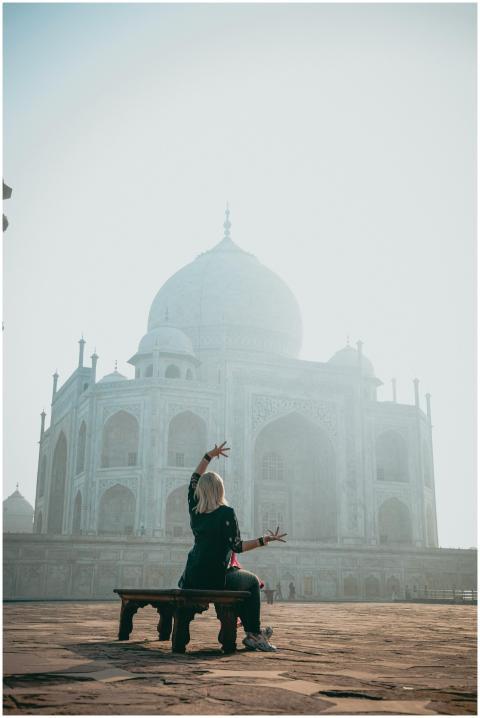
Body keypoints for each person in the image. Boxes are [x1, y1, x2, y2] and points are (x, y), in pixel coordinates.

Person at [178, 441, 287, 652]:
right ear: (220, 490)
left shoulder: (194, 508)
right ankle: (254, 634)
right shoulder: (226, 513)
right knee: (252, 581)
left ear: (200, 490)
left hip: (191, 577)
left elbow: (194, 477)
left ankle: (253, 631)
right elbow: (237, 547)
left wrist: (209, 455)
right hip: (216, 578)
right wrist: (264, 540)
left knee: (242, 581)